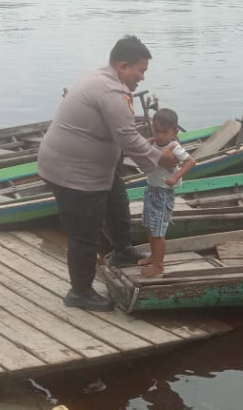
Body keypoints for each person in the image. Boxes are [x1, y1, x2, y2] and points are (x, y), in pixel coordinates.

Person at [37, 35, 177, 312]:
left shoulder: (106, 80)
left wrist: (146, 149)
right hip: (73, 173)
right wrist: (162, 158)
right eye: (141, 70)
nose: (142, 78)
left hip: (94, 167)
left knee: (116, 202)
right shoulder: (110, 91)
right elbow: (127, 139)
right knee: (84, 233)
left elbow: (122, 133)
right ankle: (80, 292)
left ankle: (122, 252)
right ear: (123, 66)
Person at [138, 108, 197, 278]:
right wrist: (148, 143)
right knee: (149, 226)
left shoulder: (174, 146)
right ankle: (153, 256)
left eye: (165, 132)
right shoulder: (154, 143)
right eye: (157, 131)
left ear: (175, 132)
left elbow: (191, 161)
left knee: (158, 232)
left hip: (163, 194)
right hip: (151, 189)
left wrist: (176, 177)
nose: (160, 135)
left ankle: (158, 265)